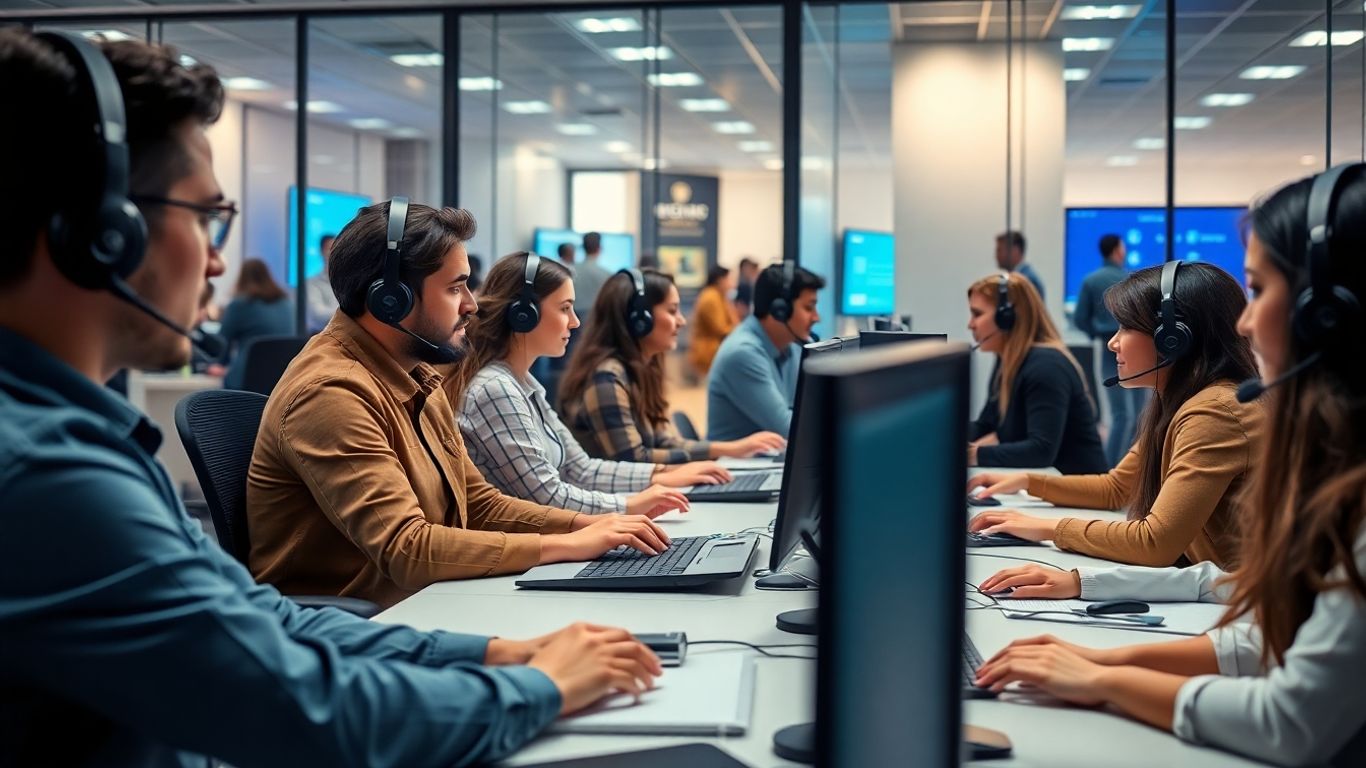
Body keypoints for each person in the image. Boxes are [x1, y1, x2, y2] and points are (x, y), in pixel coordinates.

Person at [0, 30, 658, 768]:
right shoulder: (47, 476)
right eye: (207, 216)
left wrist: (495, 653)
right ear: (101, 234)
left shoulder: (93, 444)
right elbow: (300, 705)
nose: (216, 260)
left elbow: (268, 619)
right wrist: (539, 686)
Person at [972, 165, 1366, 767]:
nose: (1245, 321)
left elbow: (1289, 718)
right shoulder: (1192, 405)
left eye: (1260, 289)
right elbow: (1252, 604)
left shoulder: (1219, 410)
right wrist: (1102, 655)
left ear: (1326, 312)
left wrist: (1104, 678)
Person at [247, 201, 673, 609]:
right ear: (391, 299)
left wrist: (591, 526)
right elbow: (407, 548)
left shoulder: (416, 376)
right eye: (455, 288)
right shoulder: (331, 394)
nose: (472, 304)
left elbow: (479, 503)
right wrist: (565, 545)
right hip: (359, 628)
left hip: (428, 602)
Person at [968, 262, 1265, 568]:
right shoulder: (1182, 401)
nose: (1113, 342)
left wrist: (1048, 528)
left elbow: (1155, 543)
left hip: (1235, 596)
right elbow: (1116, 488)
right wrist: (1027, 481)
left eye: (1126, 327)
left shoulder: (1215, 412)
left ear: (1172, 337)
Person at [448, 252, 732, 515]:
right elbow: (547, 497)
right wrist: (630, 505)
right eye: (564, 309)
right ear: (524, 315)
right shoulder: (496, 389)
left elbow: (580, 469)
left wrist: (661, 475)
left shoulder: (524, 385)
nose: (574, 322)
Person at [560, 269, 787, 463]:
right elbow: (633, 461)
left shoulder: (641, 368)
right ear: (640, 319)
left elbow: (661, 441)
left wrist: (732, 449)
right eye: (672, 311)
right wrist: (696, 466)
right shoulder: (607, 377)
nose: (682, 320)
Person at [967, 272, 1107, 474]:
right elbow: (986, 425)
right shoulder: (1007, 362)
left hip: (1078, 488)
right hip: (1046, 484)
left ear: (1007, 318)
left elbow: (1041, 451)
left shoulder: (1046, 366)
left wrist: (974, 455)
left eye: (977, 314)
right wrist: (943, 437)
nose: (970, 324)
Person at [707, 262, 824, 441]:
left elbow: (809, 409)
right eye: (809, 308)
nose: (817, 318)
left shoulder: (792, 345)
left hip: (774, 455)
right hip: (738, 458)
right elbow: (790, 429)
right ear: (780, 311)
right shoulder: (743, 354)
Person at [1077, 233, 1148, 467]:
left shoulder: (1090, 280)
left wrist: (1096, 332)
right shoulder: (1131, 280)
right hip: (1140, 349)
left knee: (1120, 414)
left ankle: (1109, 470)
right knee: (1139, 413)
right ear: (1118, 250)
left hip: (1107, 349)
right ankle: (1132, 469)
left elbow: (1080, 318)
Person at [215, 257, 293, 389]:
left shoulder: (239, 305)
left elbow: (221, 345)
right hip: (284, 379)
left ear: (242, 278)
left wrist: (218, 364)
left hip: (245, 381)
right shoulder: (288, 304)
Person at [687, 264, 738, 377]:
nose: (732, 283)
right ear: (720, 280)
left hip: (714, 350)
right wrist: (738, 331)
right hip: (708, 351)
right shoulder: (711, 297)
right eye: (729, 279)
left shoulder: (719, 295)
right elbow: (721, 329)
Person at [572, 230, 611, 325]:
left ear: (583, 248)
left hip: (574, 322)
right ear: (599, 248)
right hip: (597, 322)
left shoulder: (570, 271)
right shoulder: (607, 275)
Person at [995, 230, 1045, 300]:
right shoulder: (1014, 278)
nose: (996, 255)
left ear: (1015, 250)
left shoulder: (1027, 280)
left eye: (999, 250)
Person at [305, 232, 338, 332]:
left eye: (337, 249)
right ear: (321, 252)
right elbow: (318, 314)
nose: (334, 254)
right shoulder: (312, 283)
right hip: (321, 334)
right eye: (330, 249)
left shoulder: (348, 281)